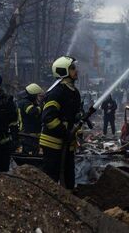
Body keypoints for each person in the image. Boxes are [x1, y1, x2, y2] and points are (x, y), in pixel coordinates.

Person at [40, 56, 82, 189]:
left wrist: (78, 123)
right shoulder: (57, 92)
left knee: (69, 174)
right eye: (72, 68)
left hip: (67, 142)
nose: (76, 71)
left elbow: (73, 116)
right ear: (63, 71)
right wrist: (65, 133)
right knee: (51, 176)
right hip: (53, 142)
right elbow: (48, 118)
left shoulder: (74, 92)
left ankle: (68, 196)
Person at [15, 83, 43, 155]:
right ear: (33, 95)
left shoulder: (25, 101)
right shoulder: (25, 102)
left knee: (31, 151)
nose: (38, 97)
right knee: (29, 153)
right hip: (27, 133)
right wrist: (41, 106)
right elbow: (33, 112)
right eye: (37, 95)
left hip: (29, 133)